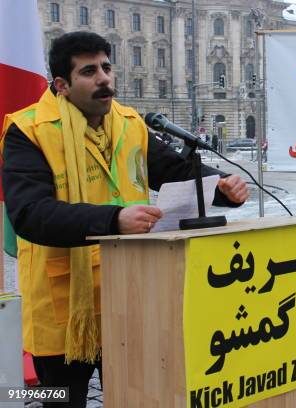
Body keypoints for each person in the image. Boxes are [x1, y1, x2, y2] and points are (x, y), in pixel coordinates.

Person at [0, 31, 248, 408]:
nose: (104, 78)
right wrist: (114, 220)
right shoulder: (27, 130)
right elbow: (30, 215)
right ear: (62, 85)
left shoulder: (129, 122)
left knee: (139, 397)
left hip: (131, 298)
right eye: (89, 71)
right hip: (64, 309)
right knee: (62, 401)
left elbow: (176, 170)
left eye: (106, 67)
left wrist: (221, 188)